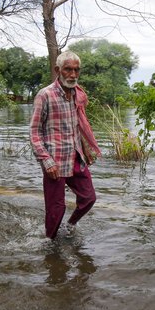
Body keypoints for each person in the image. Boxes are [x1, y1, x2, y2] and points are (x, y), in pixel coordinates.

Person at [30, 51, 101, 239]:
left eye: (76, 70)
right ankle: (50, 244)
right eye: (68, 69)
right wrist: (46, 161)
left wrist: (86, 149)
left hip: (75, 156)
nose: (73, 75)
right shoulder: (45, 95)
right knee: (56, 209)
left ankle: (70, 226)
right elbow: (34, 132)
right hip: (55, 160)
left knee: (88, 198)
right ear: (57, 70)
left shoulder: (78, 95)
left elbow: (77, 125)